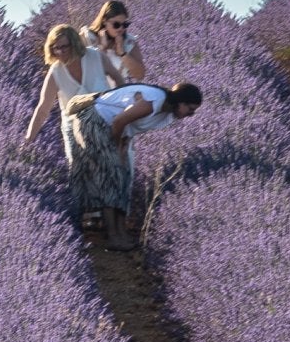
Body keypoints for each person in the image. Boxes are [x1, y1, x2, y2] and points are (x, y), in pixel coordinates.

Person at [64, 80, 203, 250]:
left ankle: (121, 232)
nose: (190, 115)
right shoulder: (154, 102)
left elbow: (131, 127)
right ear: (181, 101)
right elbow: (119, 121)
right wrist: (115, 150)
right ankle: (112, 236)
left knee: (125, 176)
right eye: (190, 110)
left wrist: (123, 147)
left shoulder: (167, 115)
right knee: (112, 175)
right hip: (93, 120)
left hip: (112, 128)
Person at [21, 24, 126, 163]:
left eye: (64, 47)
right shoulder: (55, 72)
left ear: (75, 44)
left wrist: (122, 106)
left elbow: (117, 77)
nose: (60, 52)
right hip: (75, 130)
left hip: (105, 123)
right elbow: (43, 109)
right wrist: (29, 140)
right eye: (55, 48)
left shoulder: (96, 57)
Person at [80, 0, 147, 83]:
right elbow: (84, 71)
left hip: (119, 92)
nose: (121, 29)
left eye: (125, 25)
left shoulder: (129, 42)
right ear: (104, 21)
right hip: (93, 92)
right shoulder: (87, 37)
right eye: (116, 25)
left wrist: (122, 53)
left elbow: (140, 75)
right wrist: (102, 48)